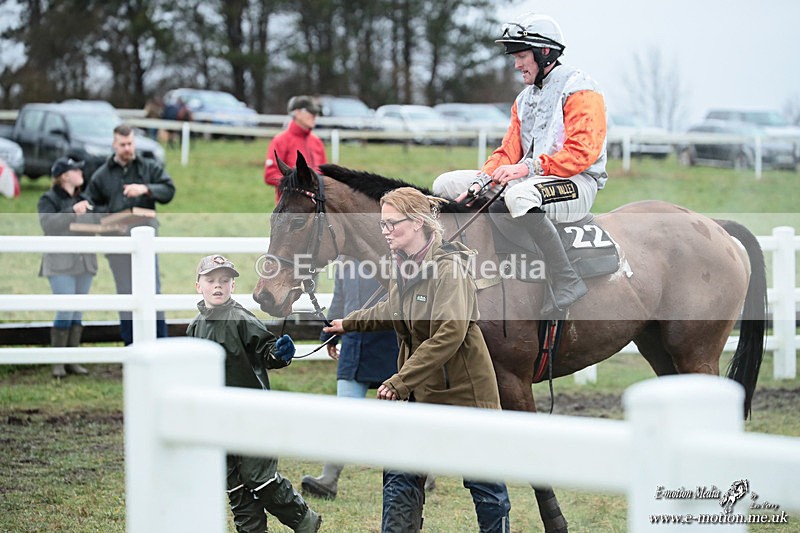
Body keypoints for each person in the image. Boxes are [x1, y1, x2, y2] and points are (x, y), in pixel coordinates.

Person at [322, 187, 511, 533]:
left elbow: (448, 335)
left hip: (464, 396)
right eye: (382, 225)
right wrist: (348, 323)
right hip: (419, 393)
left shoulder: (449, 271)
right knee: (400, 474)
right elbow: (393, 309)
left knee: (486, 487)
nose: (386, 231)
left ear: (419, 223)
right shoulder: (404, 267)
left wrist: (399, 380)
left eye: (393, 224)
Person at [432, 12, 608, 317]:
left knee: (518, 196)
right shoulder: (525, 98)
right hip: (533, 179)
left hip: (578, 182)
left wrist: (527, 169)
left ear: (545, 53)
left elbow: (582, 152)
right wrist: (482, 181)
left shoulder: (581, 89)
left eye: (521, 56)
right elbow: (508, 151)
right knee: (444, 184)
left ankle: (567, 278)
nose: (516, 64)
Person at [187, 254, 322, 533]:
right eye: (210, 280)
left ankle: (305, 521)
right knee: (236, 486)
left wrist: (280, 353)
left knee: (259, 479)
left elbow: (266, 351)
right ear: (198, 285)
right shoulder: (194, 328)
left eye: (224, 281)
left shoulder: (240, 319)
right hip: (215, 421)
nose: (218, 286)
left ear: (233, 286)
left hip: (250, 415)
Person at [301, 257, 399, 500]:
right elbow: (340, 298)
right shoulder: (345, 260)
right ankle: (329, 478)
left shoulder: (389, 254)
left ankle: (418, 472)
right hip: (354, 343)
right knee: (344, 413)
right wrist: (329, 335)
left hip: (390, 343)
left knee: (397, 417)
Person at [78, 124, 175, 345]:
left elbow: (169, 190)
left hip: (147, 242)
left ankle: (159, 342)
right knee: (126, 293)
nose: (127, 148)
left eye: (130, 143)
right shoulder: (101, 175)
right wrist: (115, 215)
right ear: (114, 144)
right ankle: (131, 344)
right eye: (123, 145)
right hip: (118, 244)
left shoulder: (149, 167)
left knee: (153, 290)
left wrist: (145, 189)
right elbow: (90, 206)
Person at [37, 157, 98, 378]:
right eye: (75, 169)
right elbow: (48, 224)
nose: (81, 171)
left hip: (84, 261)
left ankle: (72, 360)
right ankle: (58, 362)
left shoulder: (85, 199)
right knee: (65, 308)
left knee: (77, 310)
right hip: (60, 262)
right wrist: (73, 212)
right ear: (64, 175)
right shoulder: (48, 199)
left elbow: (93, 226)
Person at [263, 95, 327, 202]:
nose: (314, 116)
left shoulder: (317, 142)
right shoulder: (280, 141)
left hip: (316, 208)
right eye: (310, 112)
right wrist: (298, 183)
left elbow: (324, 174)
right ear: (296, 113)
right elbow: (270, 175)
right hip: (292, 208)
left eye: (315, 113)